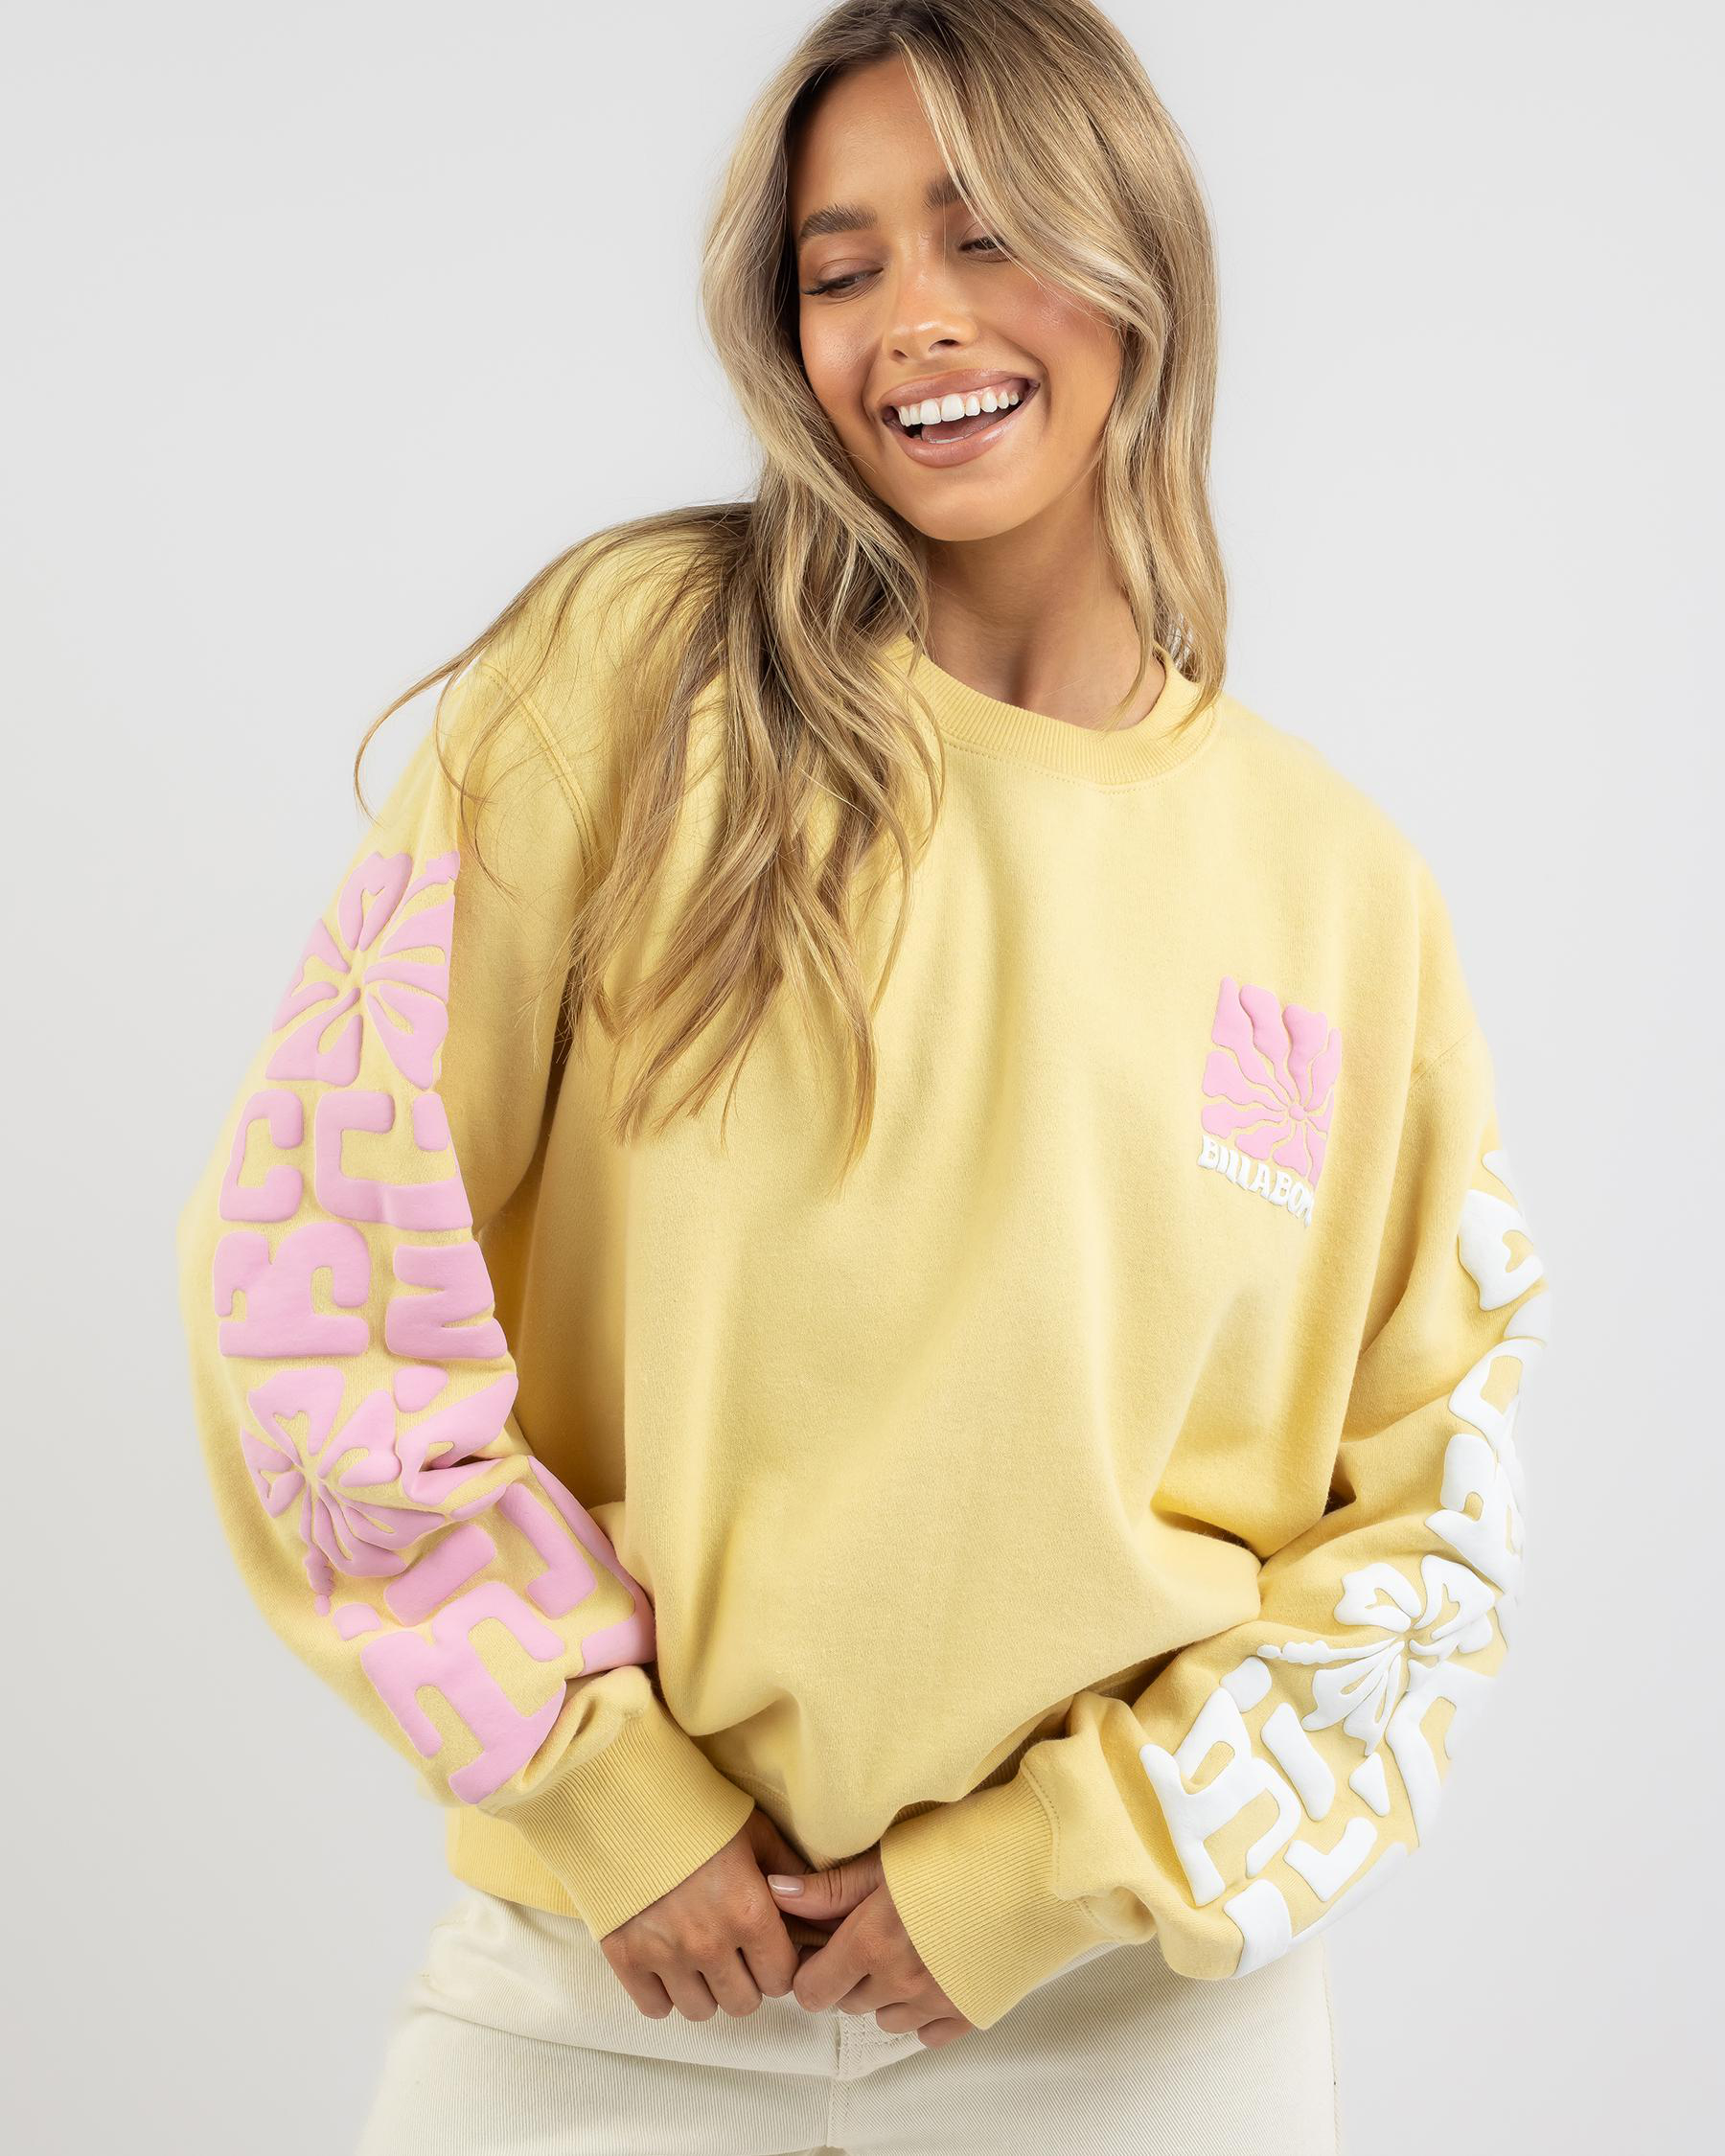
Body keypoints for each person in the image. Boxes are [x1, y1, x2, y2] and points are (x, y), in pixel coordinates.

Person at [173, 3, 1553, 2150]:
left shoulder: (1334, 891)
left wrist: (1038, 1880)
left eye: (987, 233)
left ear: (1138, 257)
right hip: (606, 1993)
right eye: (844, 267)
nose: (914, 318)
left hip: (1129, 2040)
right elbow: (320, 1266)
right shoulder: (633, 683)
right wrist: (609, 1798)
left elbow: (1426, 1527)